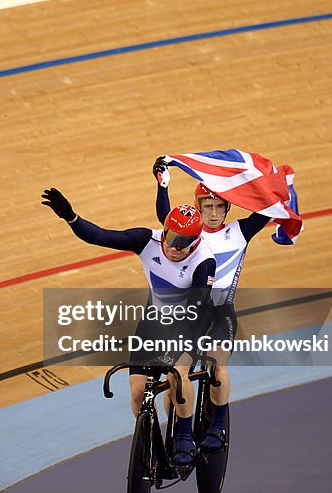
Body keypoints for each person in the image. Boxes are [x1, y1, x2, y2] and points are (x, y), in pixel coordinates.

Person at [41, 187, 216, 467]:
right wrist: (71, 217)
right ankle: (152, 446)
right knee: (137, 393)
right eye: (171, 237)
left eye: (182, 242)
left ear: (195, 243)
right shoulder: (146, 240)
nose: (173, 246)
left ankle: (184, 437)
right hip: (154, 323)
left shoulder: (203, 261)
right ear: (165, 229)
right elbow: (99, 236)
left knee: (177, 376)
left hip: (189, 324)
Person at [151, 156, 299, 454]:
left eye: (220, 206)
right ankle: (178, 432)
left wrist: (282, 183)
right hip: (187, 313)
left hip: (219, 313)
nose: (215, 212)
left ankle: (218, 425)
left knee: (216, 365)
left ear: (228, 207)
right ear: (199, 206)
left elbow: (267, 207)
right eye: (208, 206)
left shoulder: (240, 231)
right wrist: (163, 184)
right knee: (174, 377)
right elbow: (163, 214)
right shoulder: (188, 229)